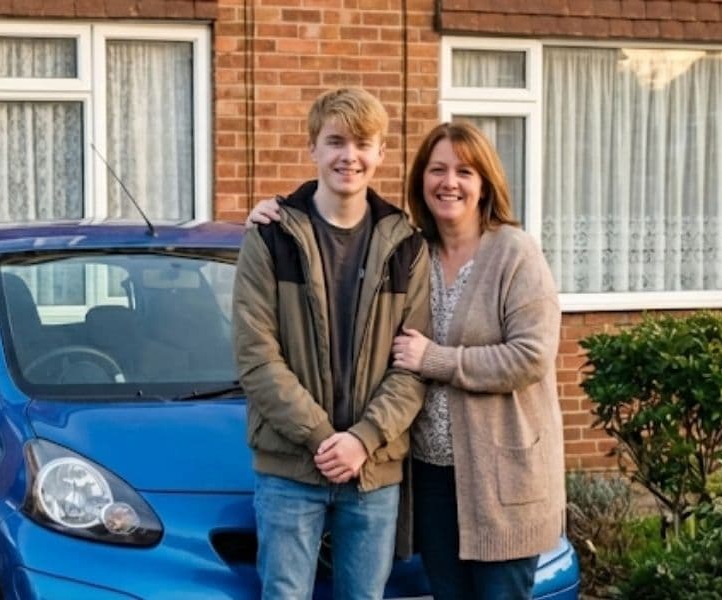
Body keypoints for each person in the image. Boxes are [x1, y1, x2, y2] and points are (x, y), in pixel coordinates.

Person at [248, 121, 565, 600]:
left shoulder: (513, 252)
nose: (450, 182)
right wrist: (272, 209)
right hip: (431, 476)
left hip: (500, 479)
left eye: (465, 171)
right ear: (421, 179)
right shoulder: (415, 250)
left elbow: (531, 356)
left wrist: (434, 359)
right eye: (437, 170)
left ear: (485, 184)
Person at [231, 87, 431, 600]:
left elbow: (413, 365)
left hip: (373, 468)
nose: (350, 155)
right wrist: (324, 437)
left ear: (381, 152)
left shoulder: (406, 246)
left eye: (363, 143)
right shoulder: (270, 238)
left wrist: (362, 439)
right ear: (313, 148)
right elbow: (257, 357)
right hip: (290, 467)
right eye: (336, 141)